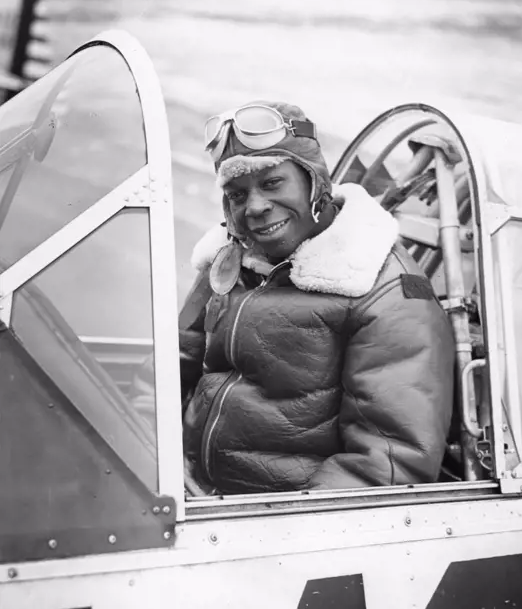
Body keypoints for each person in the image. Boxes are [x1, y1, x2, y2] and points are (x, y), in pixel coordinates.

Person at [179, 100, 455, 495]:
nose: (255, 207)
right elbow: (167, 370)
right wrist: (148, 456)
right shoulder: (227, 260)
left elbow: (388, 464)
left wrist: (278, 531)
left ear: (315, 181)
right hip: (187, 493)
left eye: (273, 183)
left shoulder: (388, 290)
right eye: (237, 195)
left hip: (277, 525)